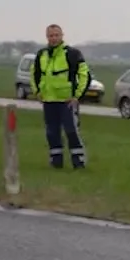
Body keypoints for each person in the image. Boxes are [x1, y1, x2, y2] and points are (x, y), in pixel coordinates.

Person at [31, 24, 90, 169]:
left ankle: (79, 162)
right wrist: (37, 92)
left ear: (62, 36)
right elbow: (35, 74)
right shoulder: (41, 55)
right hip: (49, 100)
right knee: (52, 132)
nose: (54, 38)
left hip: (67, 101)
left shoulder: (72, 54)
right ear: (47, 37)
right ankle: (56, 161)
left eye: (57, 35)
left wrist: (77, 96)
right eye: (51, 35)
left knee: (71, 131)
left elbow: (85, 75)